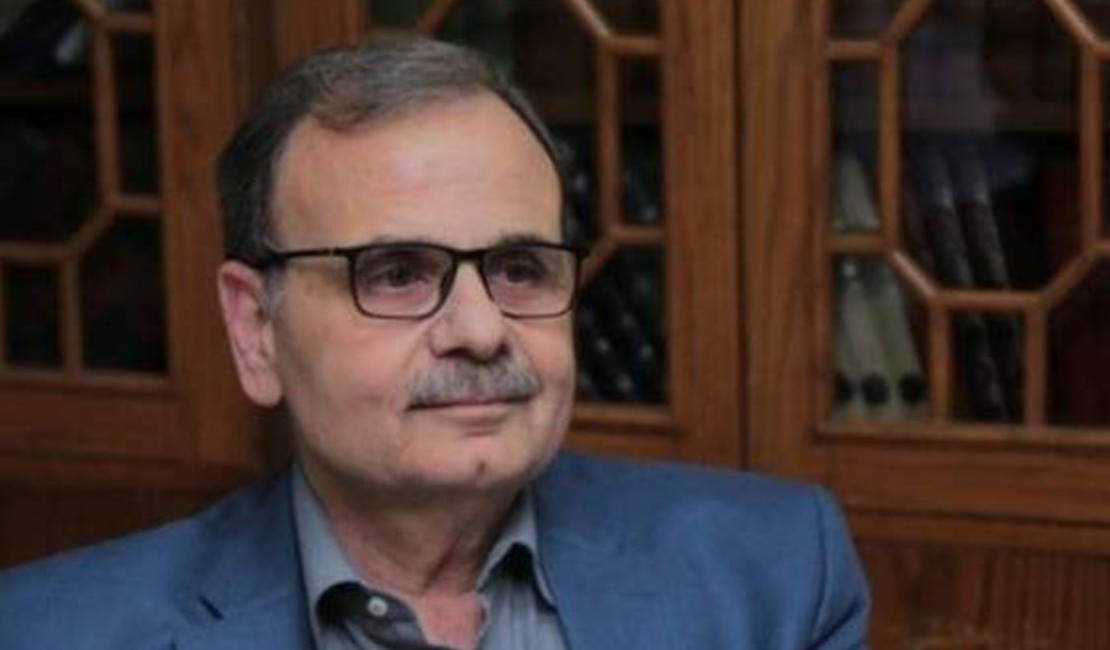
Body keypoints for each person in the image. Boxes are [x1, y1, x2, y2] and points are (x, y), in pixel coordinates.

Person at [0, 37, 870, 650]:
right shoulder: (49, 632)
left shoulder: (775, 578)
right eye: (395, 274)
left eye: (520, 269)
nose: (482, 331)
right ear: (255, 330)